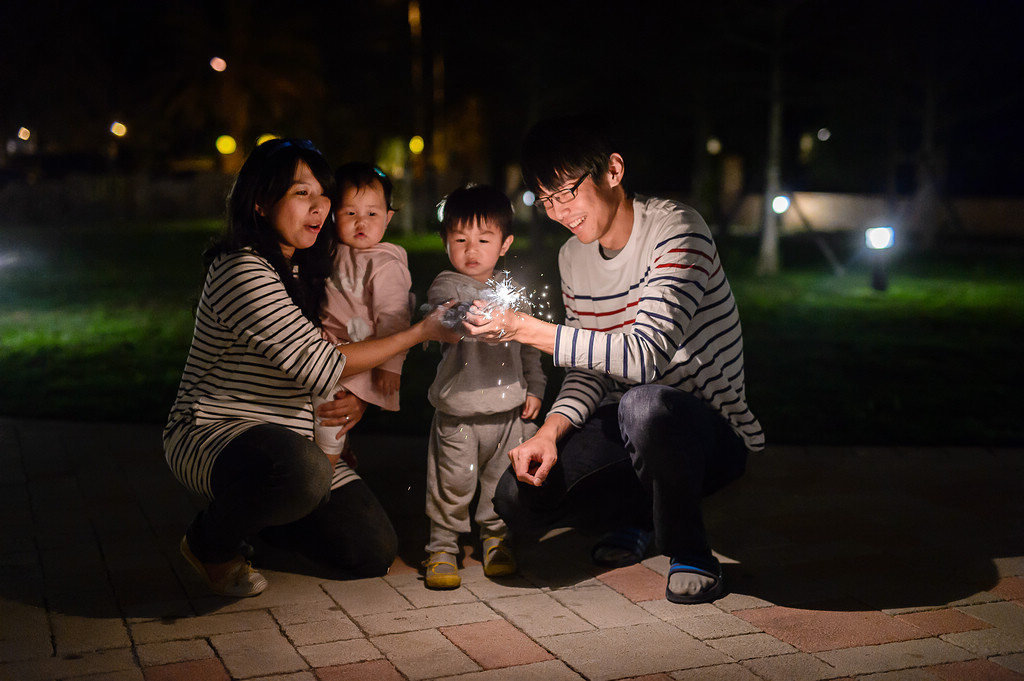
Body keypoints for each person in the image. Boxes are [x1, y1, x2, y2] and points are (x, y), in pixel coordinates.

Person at [462, 116, 764, 604]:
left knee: (644, 406)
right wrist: (549, 432)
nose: (559, 211)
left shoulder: (677, 231)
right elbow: (589, 369)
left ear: (613, 171)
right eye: (546, 199)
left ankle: (688, 549)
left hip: (707, 429)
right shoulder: (572, 257)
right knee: (517, 500)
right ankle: (637, 517)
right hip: (629, 424)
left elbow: (644, 356)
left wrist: (525, 329)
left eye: (566, 192)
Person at [163, 138, 458, 598]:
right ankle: (210, 544)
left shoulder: (306, 268)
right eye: (302, 193)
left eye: (324, 195)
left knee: (371, 549)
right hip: (218, 429)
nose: (319, 206)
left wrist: (358, 397)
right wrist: (421, 331)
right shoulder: (242, 269)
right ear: (261, 201)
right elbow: (319, 362)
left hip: (299, 436)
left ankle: (259, 517)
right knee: (302, 474)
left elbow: (340, 347)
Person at [421, 184, 547, 589]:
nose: (471, 249)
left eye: (483, 239)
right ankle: (442, 546)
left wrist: (535, 388)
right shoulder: (447, 286)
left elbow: (530, 349)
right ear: (446, 243)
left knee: (496, 482)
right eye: (460, 239)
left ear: (505, 243)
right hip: (458, 412)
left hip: (508, 412)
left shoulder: (513, 297)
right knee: (451, 483)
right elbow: (447, 318)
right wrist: (473, 315)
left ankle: (496, 540)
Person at [314, 163, 411, 470]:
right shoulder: (328, 250)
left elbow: (395, 318)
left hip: (360, 355)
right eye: (350, 213)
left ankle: (327, 469)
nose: (361, 222)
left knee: (329, 415)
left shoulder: (386, 264)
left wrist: (390, 365)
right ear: (333, 215)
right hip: (324, 347)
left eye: (372, 214)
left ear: (388, 218)